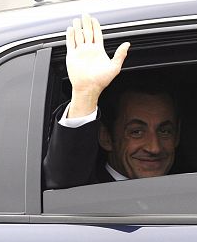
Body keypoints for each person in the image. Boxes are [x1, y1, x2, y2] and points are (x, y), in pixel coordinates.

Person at [43, 14, 180, 189]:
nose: (154, 148)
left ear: (178, 136)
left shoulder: (193, 190)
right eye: (137, 132)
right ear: (106, 137)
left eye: (165, 131)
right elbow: (64, 181)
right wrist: (86, 94)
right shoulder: (87, 191)